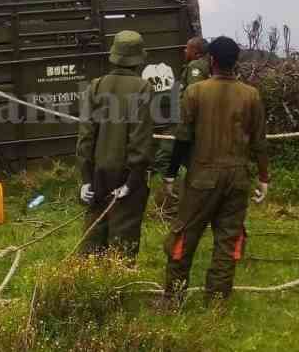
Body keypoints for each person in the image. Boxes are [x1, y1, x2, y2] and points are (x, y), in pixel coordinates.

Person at [161, 36, 269, 305]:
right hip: (238, 178)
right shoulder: (251, 95)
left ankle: (174, 298)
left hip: (202, 177)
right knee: (228, 238)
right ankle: (217, 299)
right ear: (235, 63)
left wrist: (171, 174)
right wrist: (264, 178)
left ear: (212, 60)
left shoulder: (195, 92)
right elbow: (259, 142)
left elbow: (182, 138)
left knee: (183, 234)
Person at [76, 30, 154, 263]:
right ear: (139, 59)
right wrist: (133, 181)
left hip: (98, 172)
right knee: (124, 238)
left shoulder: (96, 86)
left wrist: (86, 179)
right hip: (126, 174)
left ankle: (88, 283)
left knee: (93, 234)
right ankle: (117, 289)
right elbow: (140, 140)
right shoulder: (142, 88)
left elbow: (85, 136)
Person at [159, 37, 211, 219]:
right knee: (192, 163)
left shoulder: (196, 67)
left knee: (165, 156)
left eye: (187, 48)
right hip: (192, 125)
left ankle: (174, 206)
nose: (184, 51)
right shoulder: (202, 65)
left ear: (196, 52)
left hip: (186, 124)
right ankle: (196, 206)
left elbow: (195, 96)